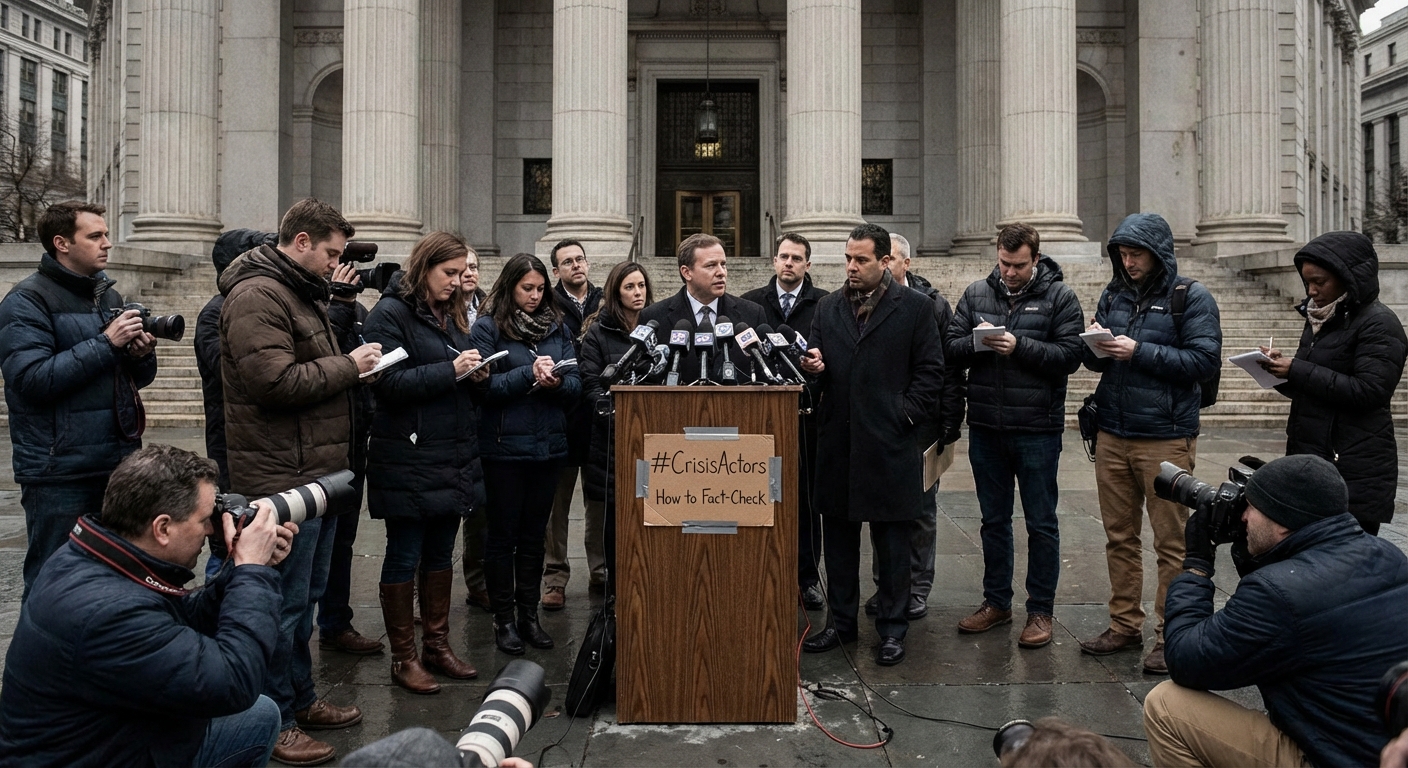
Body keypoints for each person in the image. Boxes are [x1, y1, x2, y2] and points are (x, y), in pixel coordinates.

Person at [0, 444, 295, 767]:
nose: (211, 528)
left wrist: (239, 573)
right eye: (204, 519)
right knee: (253, 710)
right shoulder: (109, 612)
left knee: (259, 715)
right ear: (162, 528)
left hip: (111, 737)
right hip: (86, 756)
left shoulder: (93, 556)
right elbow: (234, 681)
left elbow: (178, 624)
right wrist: (251, 571)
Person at [219, 198, 382, 765]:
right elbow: (273, 381)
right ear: (303, 241)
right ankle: (275, 719)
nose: (337, 265)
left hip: (310, 469)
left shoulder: (296, 291)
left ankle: (301, 698)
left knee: (304, 600)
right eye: (331, 253)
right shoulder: (257, 294)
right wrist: (351, 366)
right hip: (278, 474)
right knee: (280, 605)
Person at [1144, 454, 1408, 768]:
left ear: (1282, 522)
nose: (1242, 517)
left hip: (1332, 757)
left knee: (1166, 705)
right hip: (1382, 744)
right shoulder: (1388, 554)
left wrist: (1196, 568)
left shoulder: (1279, 593)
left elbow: (1187, 659)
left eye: (1251, 508)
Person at [1079, 212, 1222, 675]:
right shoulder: (1115, 293)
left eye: (1136, 253)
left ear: (1158, 253)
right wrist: (1094, 343)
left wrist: (1137, 350)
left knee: (1172, 542)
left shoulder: (1190, 297)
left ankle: (1169, 634)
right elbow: (1097, 365)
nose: (1128, 260)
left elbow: (1203, 360)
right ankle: (1124, 625)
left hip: (1164, 437)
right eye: (1122, 252)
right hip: (1113, 432)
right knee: (1119, 536)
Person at [799, 223, 945, 666]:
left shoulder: (916, 308)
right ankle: (841, 625)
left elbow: (931, 372)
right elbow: (813, 371)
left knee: (894, 547)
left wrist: (903, 416)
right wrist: (814, 368)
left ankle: (893, 631)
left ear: (885, 262)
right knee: (840, 547)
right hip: (839, 446)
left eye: (860, 259)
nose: (851, 267)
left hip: (890, 447)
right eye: (847, 258)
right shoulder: (826, 307)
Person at [0, 201, 158, 600]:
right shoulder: (26, 301)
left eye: (106, 234)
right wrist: (107, 342)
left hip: (117, 465)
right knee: (55, 584)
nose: (108, 243)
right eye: (96, 236)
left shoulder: (107, 296)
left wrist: (139, 354)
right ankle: (42, 662)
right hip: (59, 473)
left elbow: (133, 380)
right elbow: (31, 380)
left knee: (116, 581)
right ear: (62, 243)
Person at [945, 223, 1083, 648]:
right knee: (993, 521)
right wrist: (979, 344)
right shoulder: (975, 294)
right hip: (987, 427)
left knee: (1041, 523)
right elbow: (950, 347)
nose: (1009, 272)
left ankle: (1040, 610)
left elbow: (1072, 355)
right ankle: (996, 603)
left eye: (1019, 265)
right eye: (1004, 263)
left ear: (1036, 260)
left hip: (1037, 429)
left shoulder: (1060, 297)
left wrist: (1018, 345)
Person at [363, 232, 489, 694]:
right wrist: (450, 372)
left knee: (440, 554)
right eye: (449, 274)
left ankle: (437, 645)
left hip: (450, 451)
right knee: (404, 553)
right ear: (423, 268)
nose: (458, 283)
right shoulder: (389, 313)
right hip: (407, 454)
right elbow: (385, 382)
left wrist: (476, 371)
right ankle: (404, 657)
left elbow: (453, 365)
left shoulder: (451, 313)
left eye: (462, 274)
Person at [1258, 231, 1407, 536]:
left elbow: (1370, 391)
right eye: (1307, 282)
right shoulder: (1322, 319)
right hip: (1312, 458)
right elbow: (1313, 386)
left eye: (1319, 282)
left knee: (1349, 568)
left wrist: (1297, 370)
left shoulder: (1379, 322)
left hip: (1352, 466)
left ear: (1347, 277)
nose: (1311, 291)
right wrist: (1277, 370)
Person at [472, 253, 583, 655]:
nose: (535, 296)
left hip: (548, 448)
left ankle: (528, 616)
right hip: (503, 449)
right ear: (510, 287)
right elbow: (485, 389)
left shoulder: (556, 327)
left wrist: (555, 383)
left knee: (535, 537)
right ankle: (504, 621)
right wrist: (528, 373)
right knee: (502, 537)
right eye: (527, 289)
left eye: (540, 289)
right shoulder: (488, 328)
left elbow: (576, 386)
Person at [865, 231, 966, 621]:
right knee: (880, 508)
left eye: (890, 258)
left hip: (923, 425)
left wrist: (950, 421)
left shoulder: (933, 306)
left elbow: (949, 370)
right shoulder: (865, 302)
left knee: (922, 510)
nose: (884, 264)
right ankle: (886, 586)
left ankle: (918, 588)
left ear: (905, 263)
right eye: (881, 258)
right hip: (881, 426)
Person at [741, 232, 830, 610]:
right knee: (757, 497)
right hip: (760, 417)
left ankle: (807, 578)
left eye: (796, 258)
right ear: (773, 261)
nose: (789, 263)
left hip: (807, 416)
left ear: (808, 264)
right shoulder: (750, 305)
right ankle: (761, 571)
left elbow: (835, 359)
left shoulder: (825, 304)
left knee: (807, 501)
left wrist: (819, 368)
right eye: (783, 256)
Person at [314, 258, 386, 656]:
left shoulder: (355, 309)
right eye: (333, 257)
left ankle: (336, 621)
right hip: (318, 446)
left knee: (342, 541)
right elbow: (322, 358)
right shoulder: (325, 306)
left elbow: (347, 362)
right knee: (311, 546)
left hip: (353, 437)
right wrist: (339, 304)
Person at [196, 229, 276, 580]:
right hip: (232, 442)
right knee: (231, 537)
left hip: (260, 443)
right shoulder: (215, 312)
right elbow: (234, 373)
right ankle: (220, 612)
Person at [579, 261, 655, 589]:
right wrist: (618, 416)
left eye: (641, 286)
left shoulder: (658, 326)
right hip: (611, 440)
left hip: (652, 438)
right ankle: (613, 586)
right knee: (613, 515)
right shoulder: (598, 331)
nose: (637, 293)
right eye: (629, 287)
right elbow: (591, 384)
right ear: (615, 292)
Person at [541, 239, 604, 611]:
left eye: (580, 258)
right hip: (562, 417)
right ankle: (555, 577)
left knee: (598, 502)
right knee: (556, 506)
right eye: (567, 261)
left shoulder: (604, 301)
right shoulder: (547, 305)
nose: (576, 265)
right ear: (556, 271)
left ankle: (600, 570)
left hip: (597, 420)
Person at [639, 232, 767, 384]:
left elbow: (764, 376)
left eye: (723, 264)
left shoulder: (752, 314)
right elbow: (646, 378)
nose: (721, 273)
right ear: (687, 272)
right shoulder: (654, 317)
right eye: (711, 265)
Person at [460, 249, 492, 611]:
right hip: (446, 419)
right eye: (463, 267)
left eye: (474, 267)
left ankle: (478, 581)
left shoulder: (486, 312)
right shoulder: (437, 311)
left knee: (479, 513)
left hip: (481, 417)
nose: (469, 273)